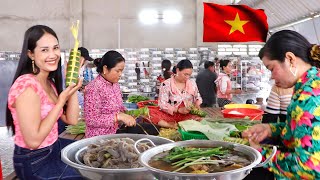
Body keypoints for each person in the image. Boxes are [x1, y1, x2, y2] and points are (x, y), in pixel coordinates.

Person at [6, 25, 83, 179]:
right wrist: (61, 101)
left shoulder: (49, 83)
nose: (53, 54)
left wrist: (72, 85)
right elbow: (33, 141)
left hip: (53, 147)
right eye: (44, 50)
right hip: (34, 160)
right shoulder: (27, 87)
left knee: (89, 155)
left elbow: (72, 120)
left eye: (55, 48)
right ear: (31, 54)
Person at [242, 30, 320, 179]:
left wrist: (259, 153)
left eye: (272, 69)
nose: (272, 77)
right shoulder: (309, 85)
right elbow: (302, 131)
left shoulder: (310, 98)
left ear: (290, 59)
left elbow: (311, 167)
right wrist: (270, 129)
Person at [149, 59, 203, 129]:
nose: (187, 77)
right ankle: (170, 125)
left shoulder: (192, 83)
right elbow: (162, 104)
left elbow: (198, 97)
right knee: (151, 113)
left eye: (189, 75)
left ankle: (182, 124)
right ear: (177, 70)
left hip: (187, 115)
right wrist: (178, 110)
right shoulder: (166, 84)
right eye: (185, 74)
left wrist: (197, 105)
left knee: (199, 118)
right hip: (170, 115)